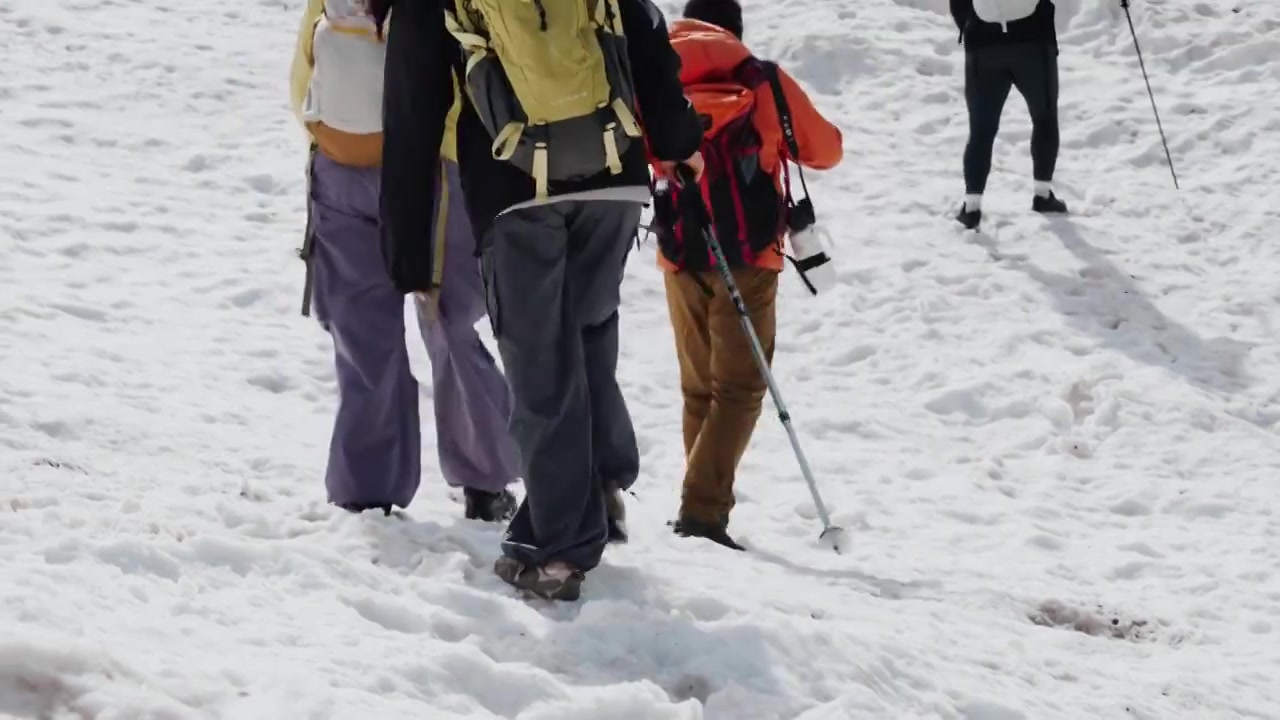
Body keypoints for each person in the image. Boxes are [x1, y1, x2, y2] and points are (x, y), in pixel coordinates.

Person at [372, 0, 704, 601]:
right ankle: (597, 484)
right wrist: (678, 137)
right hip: (613, 175)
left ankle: (556, 552)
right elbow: (646, 30)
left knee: (541, 362)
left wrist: (406, 248)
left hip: (515, 185)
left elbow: (412, 112)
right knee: (588, 332)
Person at [288, 0, 520, 521]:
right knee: (444, 320)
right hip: (430, 168)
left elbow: (304, 70)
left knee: (379, 330)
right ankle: (483, 480)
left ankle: (369, 488)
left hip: (346, 162)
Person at [651, 0, 844, 550]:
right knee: (740, 388)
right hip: (749, 254)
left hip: (681, 248)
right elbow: (826, 150)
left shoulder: (654, 73)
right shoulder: (760, 79)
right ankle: (702, 514)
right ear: (734, 28)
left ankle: (697, 504)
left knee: (699, 387)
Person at [950, 0, 1068, 229]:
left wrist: (969, 25)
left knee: (981, 129)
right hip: (1033, 41)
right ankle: (1043, 196)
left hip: (982, 45)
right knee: (1044, 117)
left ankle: (971, 207)